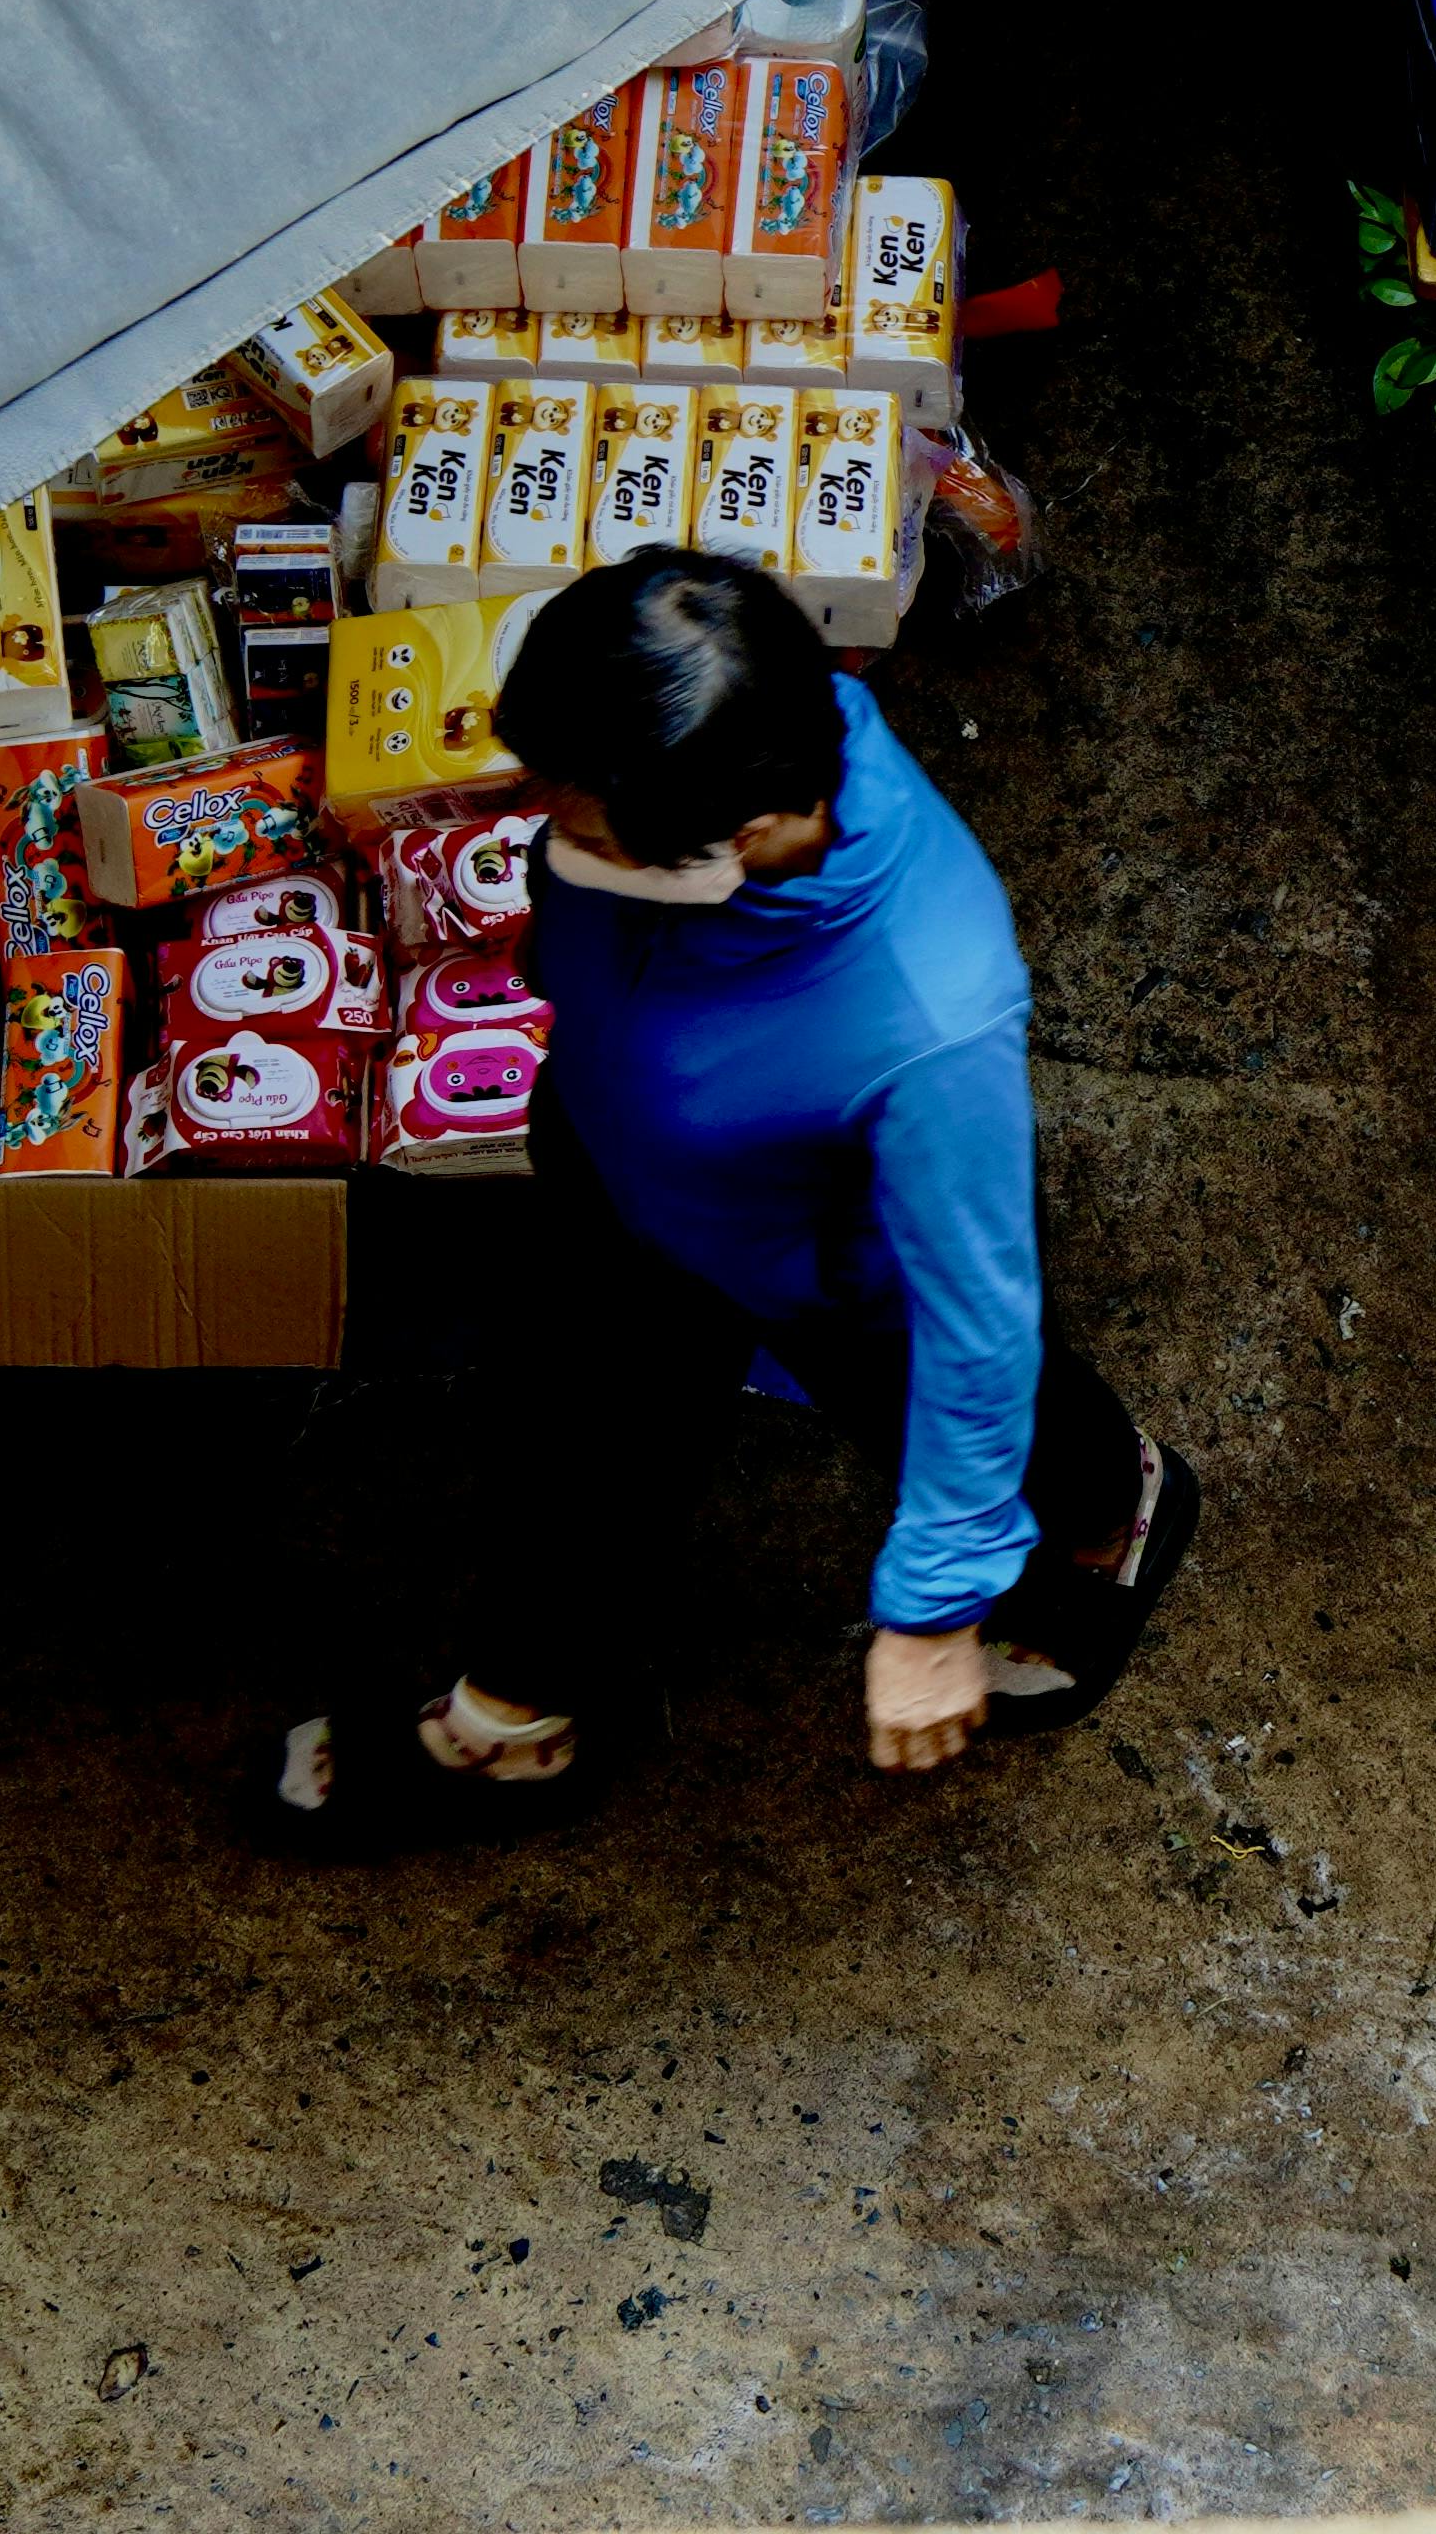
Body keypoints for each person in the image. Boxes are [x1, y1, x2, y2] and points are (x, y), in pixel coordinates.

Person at [273, 550, 1192, 1839]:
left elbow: (979, 1319)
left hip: (823, 1259)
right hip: (631, 1177)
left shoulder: (925, 1025)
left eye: (585, 830)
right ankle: (517, 1715)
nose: (551, 834)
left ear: (740, 838)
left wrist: (931, 1612)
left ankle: (1111, 1512)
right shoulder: (731, 725)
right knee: (581, 1435)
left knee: (964, 1401)